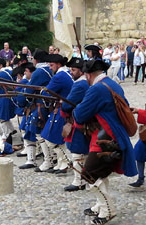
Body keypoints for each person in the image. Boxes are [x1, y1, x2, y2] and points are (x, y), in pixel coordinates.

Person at [73, 59, 137, 225]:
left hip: (106, 138)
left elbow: (79, 115)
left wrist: (77, 106)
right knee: (99, 172)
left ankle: (108, 210)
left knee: (89, 173)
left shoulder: (97, 89)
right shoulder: (112, 84)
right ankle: (100, 206)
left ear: (88, 74)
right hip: (111, 135)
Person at [18, 49, 53, 170]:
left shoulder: (39, 72)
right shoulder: (49, 69)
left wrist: (22, 99)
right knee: (29, 131)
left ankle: (48, 160)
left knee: (38, 133)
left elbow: (29, 92)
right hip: (44, 106)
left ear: (36, 60)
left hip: (39, 106)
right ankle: (31, 159)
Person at [38, 54, 73, 174]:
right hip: (65, 107)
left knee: (51, 137)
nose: (50, 67)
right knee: (55, 137)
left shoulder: (59, 76)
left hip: (63, 109)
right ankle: (60, 163)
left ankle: (65, 162)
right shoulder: (66, 73)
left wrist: (43, 90)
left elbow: (47, 94)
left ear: (58, 64)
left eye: (51, 65)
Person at [61, 57, 90, 191]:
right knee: (83, 152)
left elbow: (67, 106)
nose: (71, 72)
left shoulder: (80, 84)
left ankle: (79, 181)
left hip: (79, 121)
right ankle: (86, 179)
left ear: (81, 71)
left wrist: (63, 104)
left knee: (77, 152)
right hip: (84, 120)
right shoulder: (84, 82)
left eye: (73, 70)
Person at [0, 57, 16, 143]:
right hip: (11, 97)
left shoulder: (1, 75)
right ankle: (12, 130)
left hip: (5, 98)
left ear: (0, 65)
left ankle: (7, 134)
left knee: (2, 117)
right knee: (5, 116)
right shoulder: (10, 72)